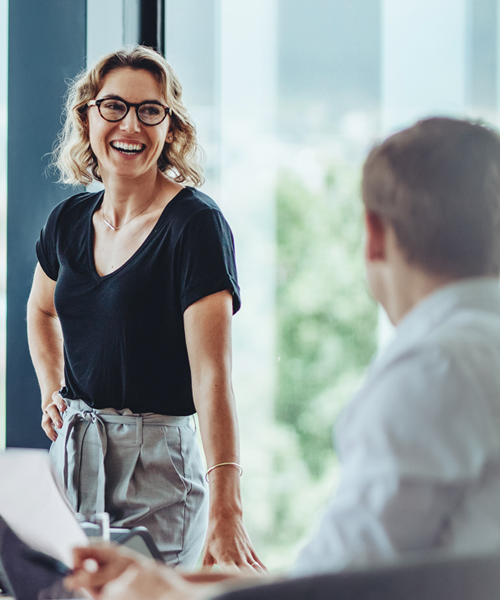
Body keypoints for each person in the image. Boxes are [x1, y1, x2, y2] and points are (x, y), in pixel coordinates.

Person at [65, 117, 500, 599]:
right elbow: (353, 573)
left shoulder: (433, 374)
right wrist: (173, 579)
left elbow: (333, 592)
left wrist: (161, 594)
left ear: (373, 234)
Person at [28, 46, 260, 569]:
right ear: (87, 117)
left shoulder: (195, 225)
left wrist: (228, 506)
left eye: (149, 110)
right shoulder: (66, 221)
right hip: (73, 457)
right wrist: (51, 389)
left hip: (158, 469)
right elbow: (41, 311)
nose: (129, 124)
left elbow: (212, 376)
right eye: (113, 106)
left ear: (171, 127)